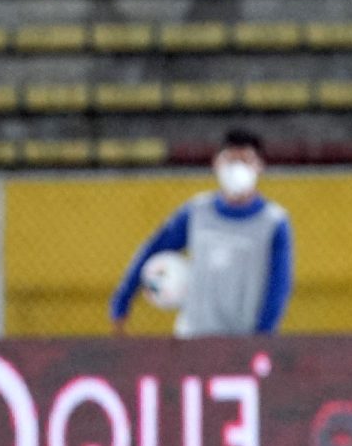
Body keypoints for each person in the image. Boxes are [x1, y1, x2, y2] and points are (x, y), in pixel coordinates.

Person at [108, 129, 294, 338]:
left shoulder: (273, 222)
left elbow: (279, 284)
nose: (237, 169)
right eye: (231, 161)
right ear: (216, 163)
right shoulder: (197, 212)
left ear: (260, 166)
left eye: (245, 161)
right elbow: (154, 248)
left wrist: (263, 335)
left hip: (243, 338)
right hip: (193, 335)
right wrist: (123, 300)